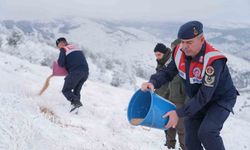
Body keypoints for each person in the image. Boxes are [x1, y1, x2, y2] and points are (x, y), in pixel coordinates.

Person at [141, 21, 239, 150]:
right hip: (197, 99)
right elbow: (166, 72)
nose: (184, 46)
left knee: (207, 132)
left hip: (219, 100)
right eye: (182, 41)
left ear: (202, 39)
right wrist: (153, 82)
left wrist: (178, 112)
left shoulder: (213, 61)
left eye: (189, 42)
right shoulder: (178, 52)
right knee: (190, 137)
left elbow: (204, 96)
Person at [153, 42, 186, 150]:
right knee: (169, 124)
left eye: (158, 55)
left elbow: (172, 84)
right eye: (156, 55)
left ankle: (184, 147)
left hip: (179, 99)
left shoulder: (175, 63)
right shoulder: (164, 64)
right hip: (168, 99)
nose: (157, 57)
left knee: (181, 127)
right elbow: (162, 82)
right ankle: (170, 145)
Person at [56, 37, 89, 112]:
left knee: (66, 90)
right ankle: (76, 110)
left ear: (61, 44)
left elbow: (61, 63)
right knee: (76, 91)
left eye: (58, 46)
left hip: (76, 72)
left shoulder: (63, 49)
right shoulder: (76, 47)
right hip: (85, 73)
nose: (59, 48)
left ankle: (76, 104)